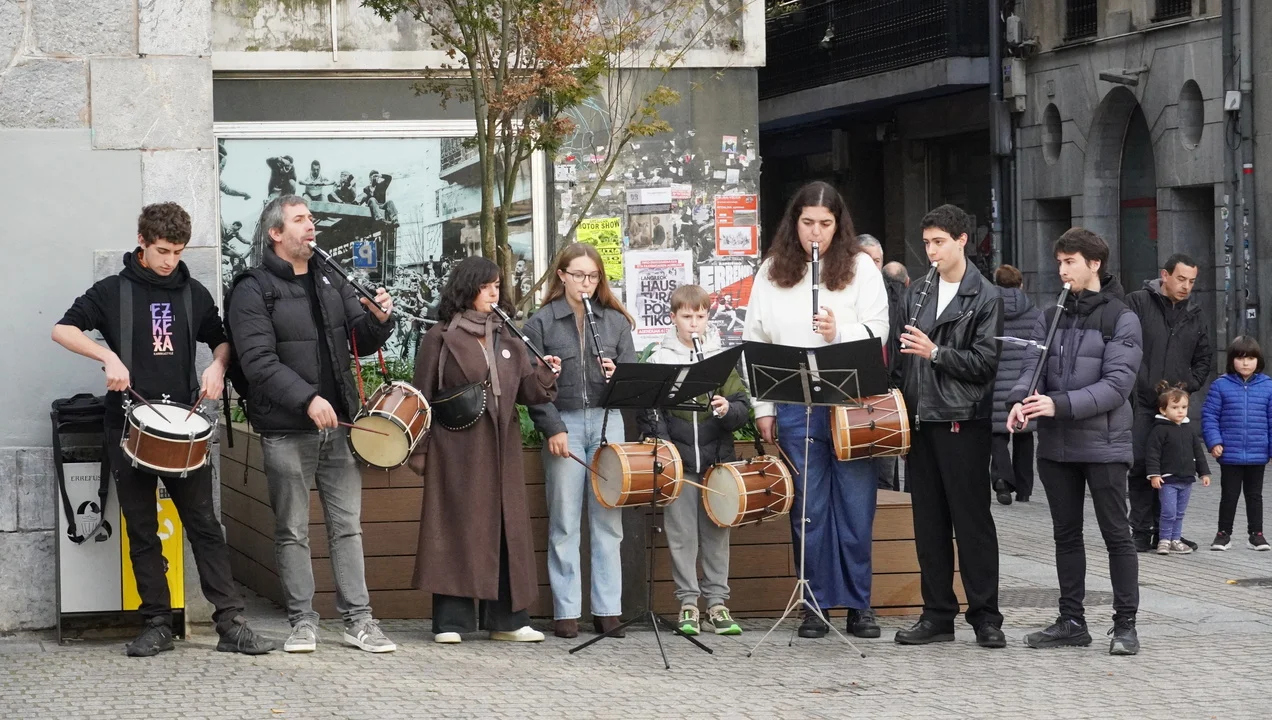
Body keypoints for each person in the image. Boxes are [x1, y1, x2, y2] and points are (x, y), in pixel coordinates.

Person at [52, 202, 273, 657]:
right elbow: (62, 330)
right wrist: (107, 357)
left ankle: (230, 624)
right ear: (142, 242)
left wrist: (217, 365)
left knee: (204, 526)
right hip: (127, 424)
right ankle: (156, 623)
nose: (170, 260)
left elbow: (222, 339)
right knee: (142, 529)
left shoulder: (194, 292)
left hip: (184, 427)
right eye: (162, 251)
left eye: (177, 251)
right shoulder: (112, 291)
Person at [228, 195, 398, 654]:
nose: (311, 226)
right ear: (275, 233)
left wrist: (379, 320)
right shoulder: (252, 288)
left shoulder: (330, 277)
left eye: (311, 219)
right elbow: (257, 361)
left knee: (348, 527)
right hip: (286, 428)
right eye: (300, 220)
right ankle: (303, 622)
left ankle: (359, 621)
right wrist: (307, 399)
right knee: (292, 530)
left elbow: (359, 340)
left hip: (340, 425)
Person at [742, 180, 888, 640]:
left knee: (856, 507)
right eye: (808, 223)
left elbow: (880, 330)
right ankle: (815, 604)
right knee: (808, 508)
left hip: (850, 404)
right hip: (793, 402)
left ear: (838, 225)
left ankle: (859, 605)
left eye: (825, 224)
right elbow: (755, 341)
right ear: (795, 223)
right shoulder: (771, 271)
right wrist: (762, 406)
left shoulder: (861, 268)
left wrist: (838, 331)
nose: (816, 233)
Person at [407, 257, 561, 643]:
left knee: (508, 528)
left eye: (497, 285)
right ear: (467, 289)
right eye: (486, 285)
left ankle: (507, 622)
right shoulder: (440, 336)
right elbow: (420, 396)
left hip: (502, 449)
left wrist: (545, 374)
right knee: (456, 526)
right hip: (455, 449)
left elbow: (527, 392)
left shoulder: (508, 334)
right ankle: (451, 622)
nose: (495, 292)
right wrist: (420, 450)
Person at [1008, 227, 1143, 656]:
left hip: (1104, 445)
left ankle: (1125, 625)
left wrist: (1058, 405)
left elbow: (1116, 386)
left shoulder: (1122, 317)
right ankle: (1071, 621)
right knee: (1065, 536)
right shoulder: (1051, 314)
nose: (1062, 270)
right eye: (1060, 262)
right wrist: (1021, 401)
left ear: (1094, 264)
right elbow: (1031, 367)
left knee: (1116, 534)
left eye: (1070, 262)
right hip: (1056, 446)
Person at [892, 204, 1005, 649]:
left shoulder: (986, 295)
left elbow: (985, 363)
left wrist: (936, 353)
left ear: (962, 241)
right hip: (921, 420)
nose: (932, 252)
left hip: (963, 420)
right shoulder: (917, 292)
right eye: (927, 243)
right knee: (929, 524)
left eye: (939, 242)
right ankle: (937, 614)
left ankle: (986, 617)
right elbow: (899, 357)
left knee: (972, 523)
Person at [523, 242, 637, 639]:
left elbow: (634, 381)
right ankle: (566, 611)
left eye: (593, 276)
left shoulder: (615, 322)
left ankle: (607, 610)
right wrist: (552, 426)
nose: (586, 283)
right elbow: (531, 387)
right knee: (565, 520)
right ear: (562, 275)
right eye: (578, 275)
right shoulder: (540, 323)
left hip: (608, 422)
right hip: (565, 424)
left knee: (608, 521)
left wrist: (618, 375)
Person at [636, 285, 750, 636]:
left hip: (717, 463)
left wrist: (727, 409)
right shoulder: (660, 358)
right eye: (687, 316)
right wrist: (667, 450)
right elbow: (650, 413)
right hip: (680, 466)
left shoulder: (721, 359)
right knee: (682, 534)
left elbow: (742, 407)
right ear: (673, 318)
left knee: (717, 534)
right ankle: (688, 603)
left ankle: (717, 604)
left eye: (700, 316)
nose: (694, 323)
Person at [1126, 254, 1212, 552]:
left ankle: (1166, 532)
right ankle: (1141, 531)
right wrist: (1137, 381)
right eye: (1181, 279)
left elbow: (1204, 357)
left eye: (1192, 281)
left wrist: (1187, 386)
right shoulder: (1138, 302)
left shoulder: (1195, 313)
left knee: (1173, 470)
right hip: (1143, 402)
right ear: (1165, 275)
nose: (1186, 286)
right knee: (1141, 466)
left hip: (1175, 407)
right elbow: (1123, 344)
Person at [1201, 336, 1272, 551]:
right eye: (1240, 358)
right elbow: (1210, 417)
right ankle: (1223, 534)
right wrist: (1214, 442)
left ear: (1258, 360)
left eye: (1250, 358)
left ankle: (1256, 535)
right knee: (1229, 495)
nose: (1245, 363)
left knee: (1255, 496)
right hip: (1230, 453)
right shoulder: (1220, 385)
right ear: (1232, 360)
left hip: (1257, 453)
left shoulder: (1268, 386)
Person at [990, 265, 1041, 505]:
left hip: (996, 381)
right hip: (1024, 382)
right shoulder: (1035, 313)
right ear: (1021, 284)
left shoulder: (989, 310)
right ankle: (1024, 489)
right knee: (1024, 434)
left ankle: (1002, 480)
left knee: (997, 433)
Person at [1146, 382, 1211, 555]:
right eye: (1174, 407)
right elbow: (1152, 454)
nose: (1180, 411)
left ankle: (1176, 539)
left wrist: (1204, 472)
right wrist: (1154, 474)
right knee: (1168, 512)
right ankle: (1164, 540)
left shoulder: (1189, 429)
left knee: (1179, 513)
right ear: (1163, 410)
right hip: (1168, 479)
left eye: (1184, 407)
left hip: (1186, 479)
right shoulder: (1159, 430)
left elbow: (1198, 452)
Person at [861, 234, 904, 490]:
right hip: (854, 396)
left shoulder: (897, 298)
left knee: (886, 475)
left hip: (888, 393)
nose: (871, 267)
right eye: (865, 260)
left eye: (876, 261)